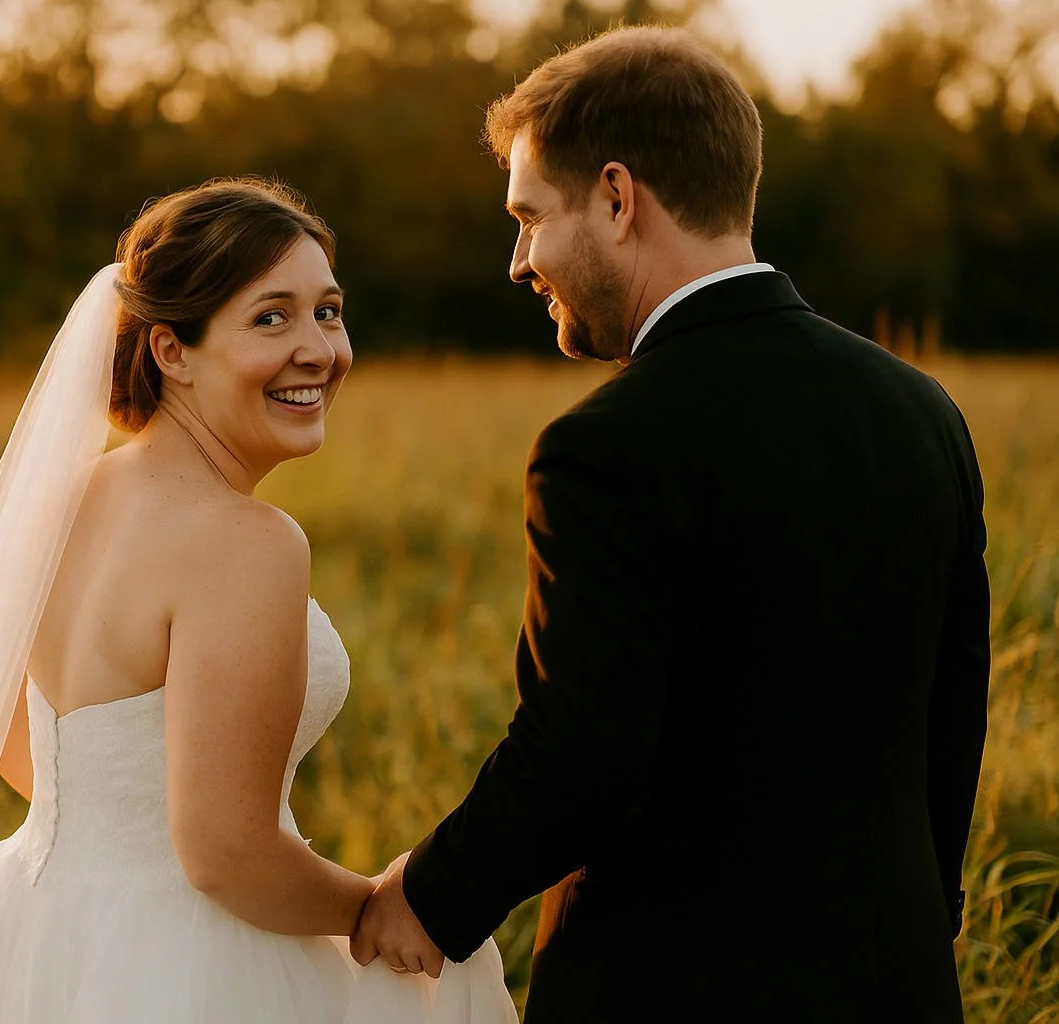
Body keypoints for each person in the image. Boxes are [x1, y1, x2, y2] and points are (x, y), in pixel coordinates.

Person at [352, 25, 990, 1024]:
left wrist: (427, 897)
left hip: (669, 990)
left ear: (616, 197)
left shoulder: (605, 446)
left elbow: (583, 753)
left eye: (529, 218)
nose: (518, 261)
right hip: (896, 984)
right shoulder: (920, 409)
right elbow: (954, 714)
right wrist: (920, 922)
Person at [0, 178, 516, 1024]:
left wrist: (114, 827)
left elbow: (14, 736)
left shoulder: (56, 502)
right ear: (172, 351)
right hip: (191, 963)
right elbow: (225, 855)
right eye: (270, 317)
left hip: (32, 924)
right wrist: (381, 914)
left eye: (328, 310)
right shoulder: (249, 541)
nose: (318, 349)